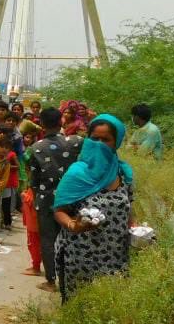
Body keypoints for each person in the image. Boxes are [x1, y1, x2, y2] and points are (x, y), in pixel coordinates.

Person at [54, 114, 134, 302]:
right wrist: (73, 226)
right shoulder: (77, 173)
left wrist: (137, 231)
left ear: (116, 143)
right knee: (80, 306)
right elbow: (60, 210)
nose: (98, 144)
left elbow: (130, 206)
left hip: (116, 256)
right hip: (81, 255)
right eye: (94, 139)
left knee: (111, 306)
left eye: (105, 140)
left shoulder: (123, 173)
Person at [27, 107, 82, 290]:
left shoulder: (36, 148)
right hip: (72, 197)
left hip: (46, 198)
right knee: (72, 235)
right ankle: (72, 276)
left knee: (48, 239)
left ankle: (51, 280)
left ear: (41, 124)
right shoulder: (76, 142)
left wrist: (36, 200)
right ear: (61, 121)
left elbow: (33, 179)